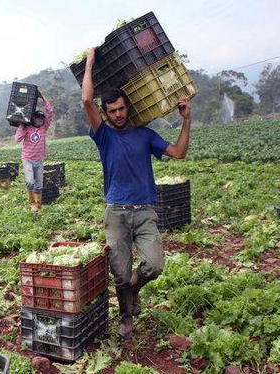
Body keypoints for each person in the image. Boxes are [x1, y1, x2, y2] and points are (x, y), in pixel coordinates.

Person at [81, 47, 192, 341]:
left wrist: (186, 120)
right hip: (115, 212)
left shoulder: (146, 134)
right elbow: (85, 100)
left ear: (128, 107)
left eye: (121, 108)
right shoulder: (103, 135)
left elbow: (179, 153)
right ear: (105, 113)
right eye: (112, 111)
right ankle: (126, 317)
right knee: (118, 272)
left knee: (154, 266)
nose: (118, 114)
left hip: (144, 211)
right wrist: (90, 62)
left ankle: (134, 288)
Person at [13, 91, 53, 212]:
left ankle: (38, 206)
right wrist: (22, 126)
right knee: (30, 183)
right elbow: (17, 139)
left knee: (38, 185)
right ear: (33, 118)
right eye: (38, 118)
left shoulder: (43, 128)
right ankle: (32, 203)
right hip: (27, 160)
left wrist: (43, 97)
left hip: (39, 160)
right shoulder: (27, 128)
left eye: (42, 118)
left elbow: (50, 112)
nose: (40, 120)